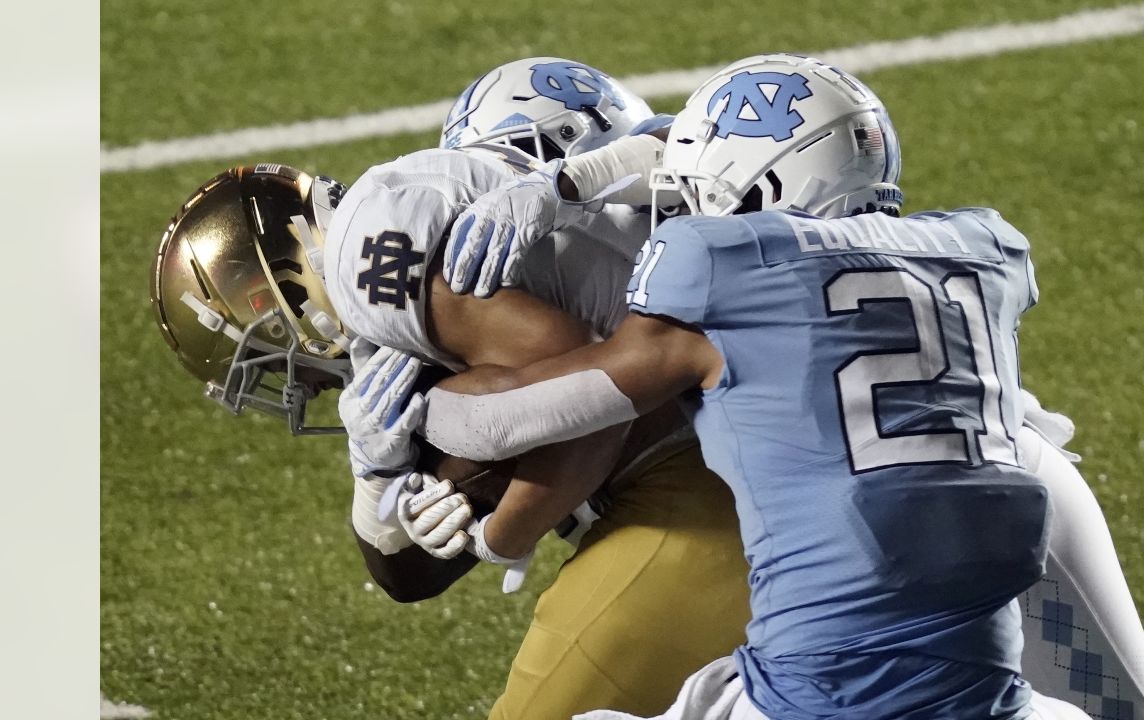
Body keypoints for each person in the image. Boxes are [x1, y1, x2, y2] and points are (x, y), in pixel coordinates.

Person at [394, 53, 1144, 719]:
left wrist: (397, 410)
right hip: (975, 520)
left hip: (862, 593)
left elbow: (534, 413)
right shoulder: (983, 241)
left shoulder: (716, 264)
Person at [152, 59, 755, 720]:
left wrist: (504, 528)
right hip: (792, 471)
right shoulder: (686, 190)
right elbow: (408, 572)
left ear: (286, 286)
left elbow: (600, 388)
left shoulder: (394, 254)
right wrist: (380, 483)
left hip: (711, 496)